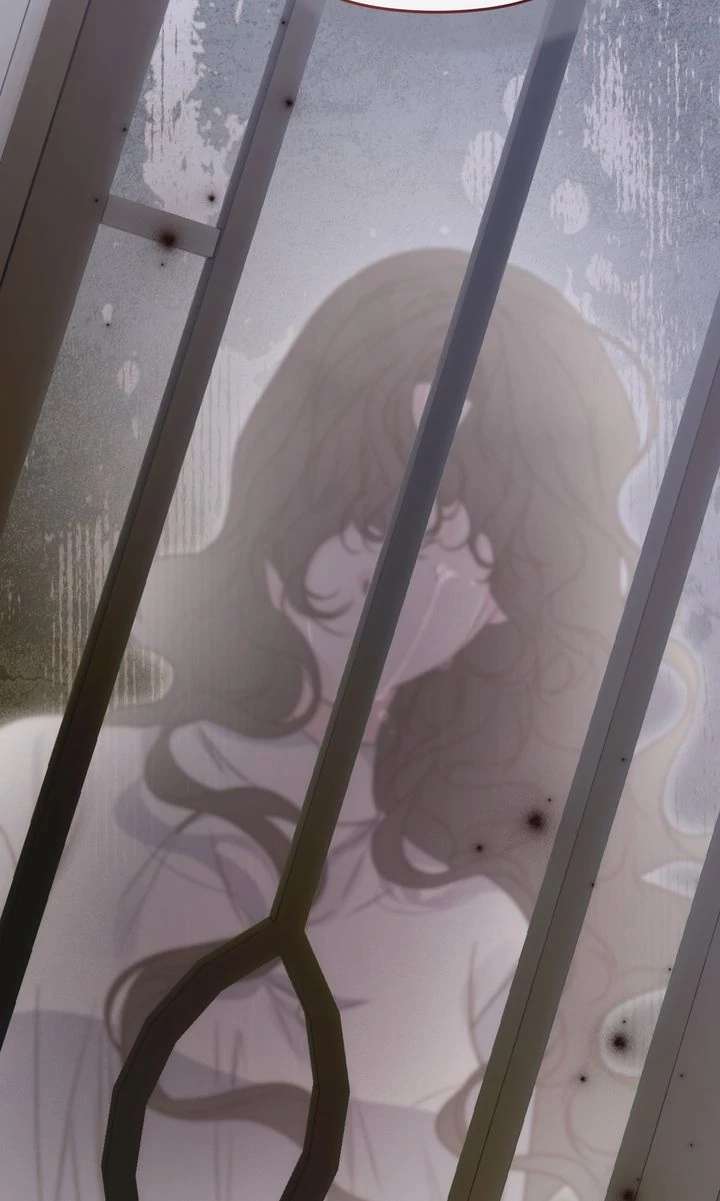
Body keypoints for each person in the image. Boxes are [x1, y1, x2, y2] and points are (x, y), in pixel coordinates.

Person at [0, 248, 701, 1201]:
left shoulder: (483, 943)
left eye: (473, 550)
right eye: (370, 515)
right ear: (286, 492)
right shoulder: (51, 786)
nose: (413, 580)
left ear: (510, 600)